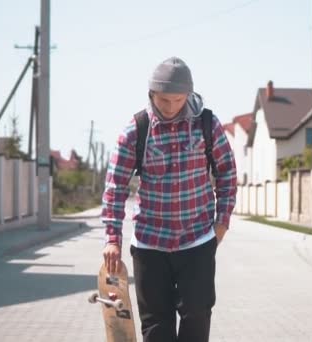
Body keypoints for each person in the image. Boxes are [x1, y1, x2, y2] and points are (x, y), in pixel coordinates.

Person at [101, 56, 237, 342]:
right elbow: (115, 187)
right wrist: (113, 238)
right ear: (152, 94)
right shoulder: (136, 130)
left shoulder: (207, 125)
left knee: (197, 317)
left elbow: (227, 174)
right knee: (157, 327)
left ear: (188, 95)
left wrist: (221, 222)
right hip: (150, 244)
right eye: (164, 101)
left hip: (197, 240)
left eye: (178, 100)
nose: (172, 108)